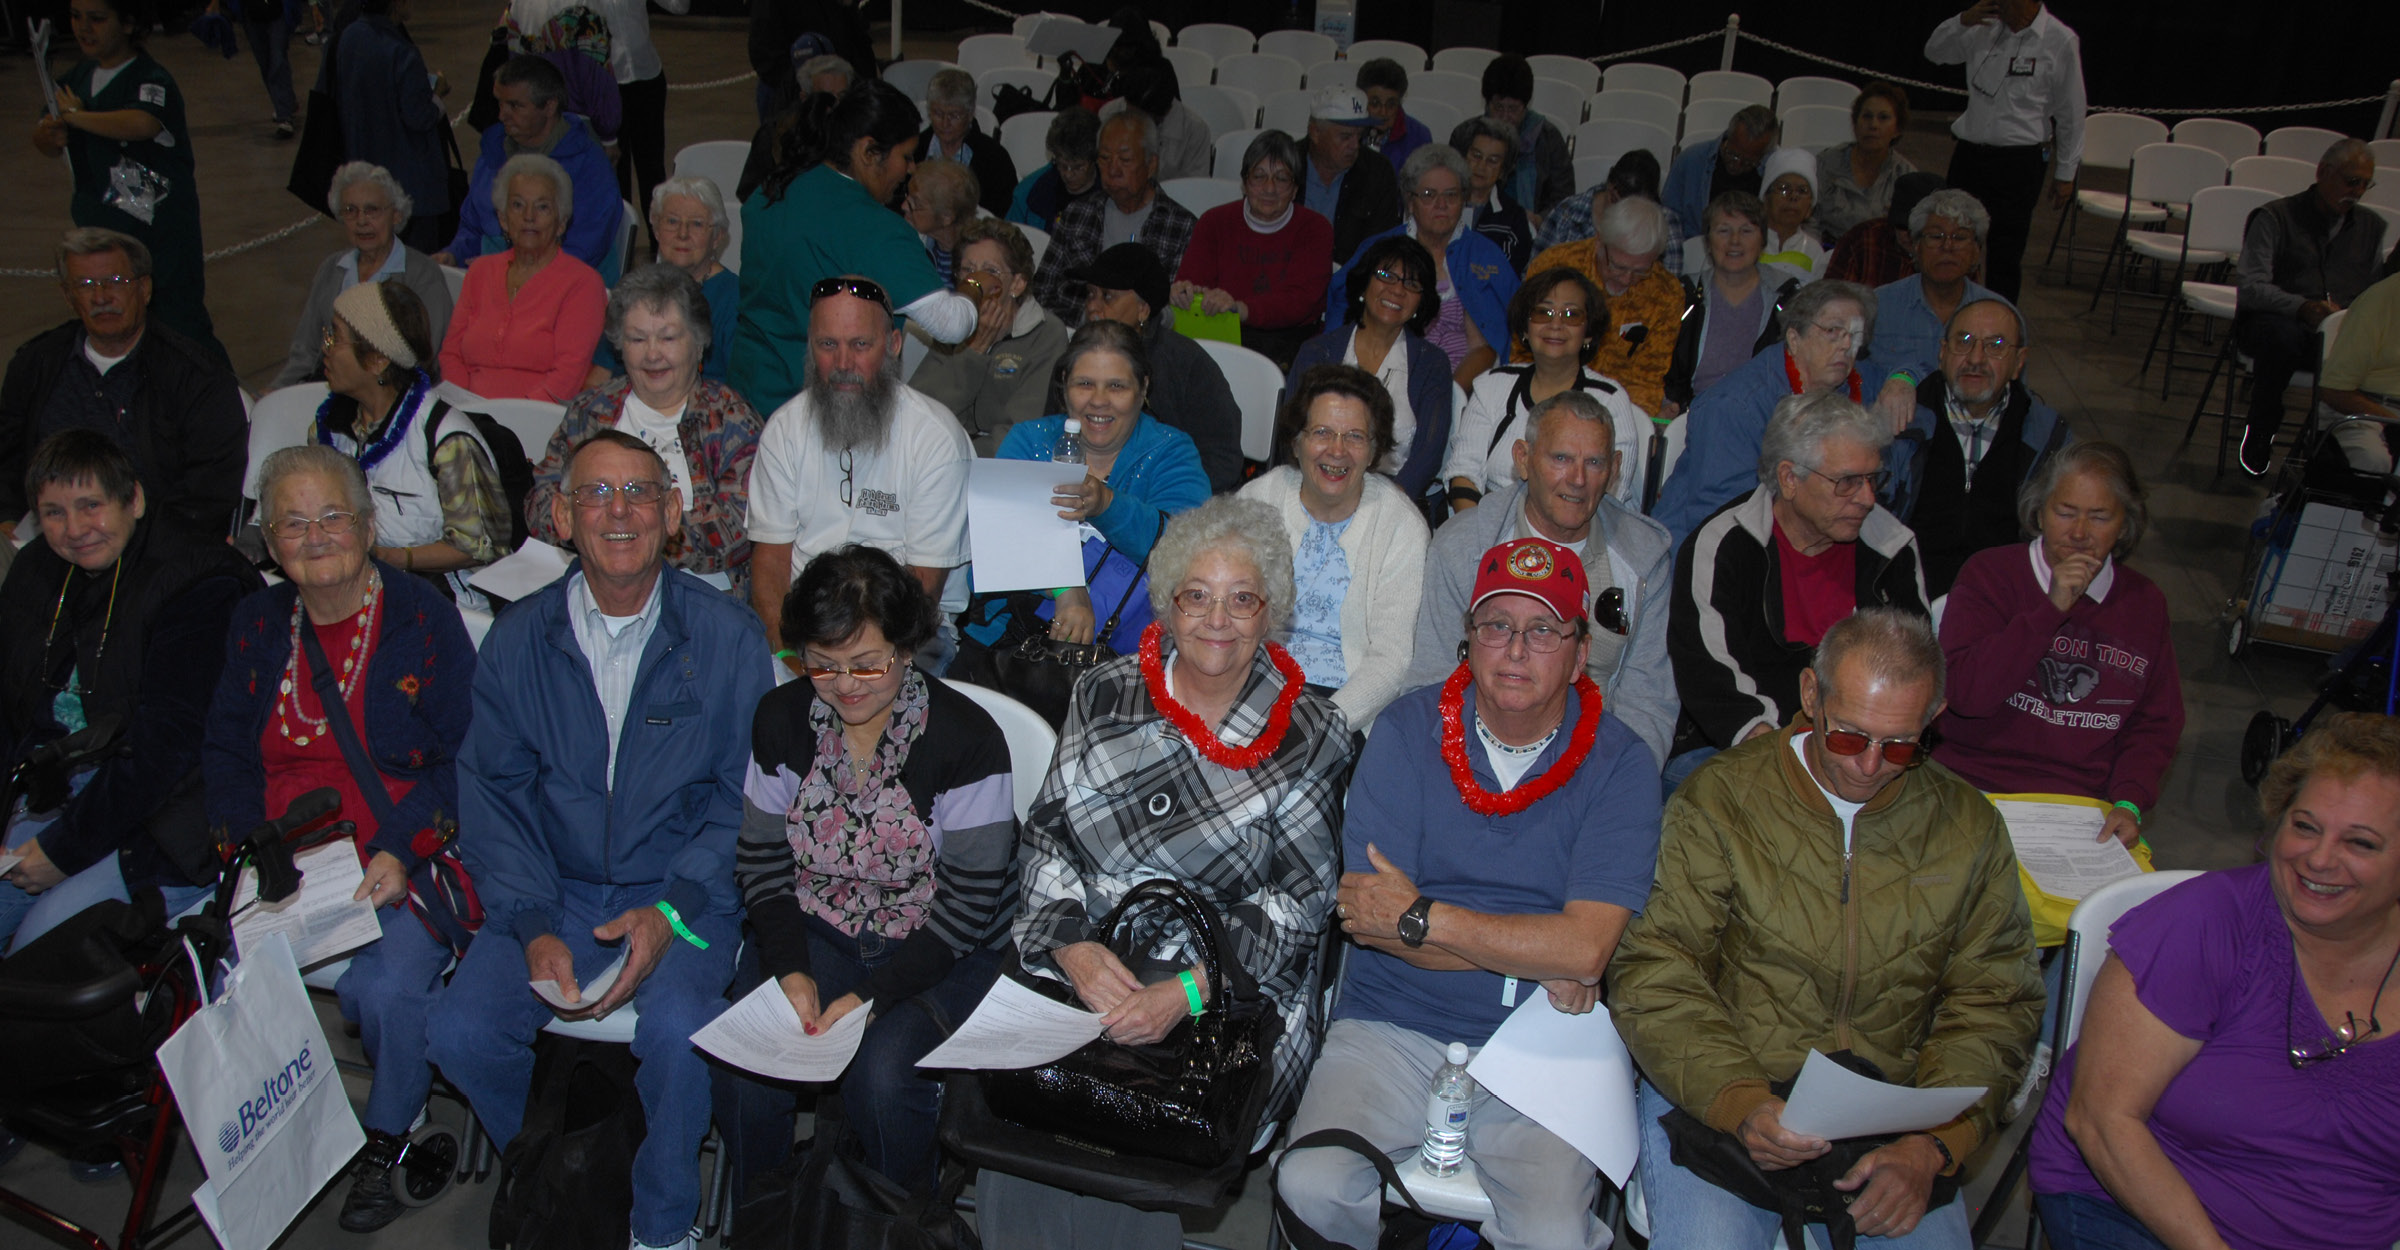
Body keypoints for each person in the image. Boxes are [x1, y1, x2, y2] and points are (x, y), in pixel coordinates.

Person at [974, 496, 1353, 1250]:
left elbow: (1301, 904)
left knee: (1135, 1125)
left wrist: (1183, 991)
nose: (1218, 619)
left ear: (1269, 611)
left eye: (1241, 599)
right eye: (1197, 596)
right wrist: (1075, 952)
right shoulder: (1104, 693)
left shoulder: (1311, 732)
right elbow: (1049, 840)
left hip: (1223, 993)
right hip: (1087, 952)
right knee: (1023, 1118)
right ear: (1167, 606)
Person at [428, 430, 773, 1250]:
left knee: (681, 1033)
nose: (620, 513)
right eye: (597, 494)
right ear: (561, 515)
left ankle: (660, 1224)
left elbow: (746, 797)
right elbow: (492, 792)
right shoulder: (518, 640)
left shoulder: (727, 637)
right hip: (557, 890)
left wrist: (672, 911)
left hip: (683, 891)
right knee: (459, 1032)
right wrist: (532, 920)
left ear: (674, 513)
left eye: (640, 493)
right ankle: (565, 1167)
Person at [1613, 607, 2042, 1250]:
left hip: (1895, 1110)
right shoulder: (1720, 800)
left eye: (1900, 746)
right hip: (1723, 1082)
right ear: (1811, 696)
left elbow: (1995, 1001)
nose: (1869, 766)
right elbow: (1656, 968)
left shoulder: (1967, 827)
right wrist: (1740, 1101)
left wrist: (1933, 1146)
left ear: (1932, 721)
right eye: (1848, 737)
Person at [1279, 535, 1663, 1250]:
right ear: (1468, 641)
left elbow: (1585, 948)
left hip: (1543, 1044)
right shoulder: (1403, 730)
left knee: (1553, 1233)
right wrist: (1540, 952)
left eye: (1543, 630)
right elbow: (1371, 922)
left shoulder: (1622, 765)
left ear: (1581, 653)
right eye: (1496, 626)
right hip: (1394, 1018)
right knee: (1310, 1183)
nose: (1516, 650)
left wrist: (1426, 916)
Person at [203, 444, 473, 1233]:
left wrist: (400, 849)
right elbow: (223, 749)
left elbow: (469, 757)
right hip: (282, 854)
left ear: (366, 522)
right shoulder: (255, 622)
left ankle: (387, 1137)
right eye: (293, 522)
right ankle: (281, 1135)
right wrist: (248, 849)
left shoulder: (421, 616)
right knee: (214, 974)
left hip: (400, 849)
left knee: (382, 988)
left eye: (332, 517)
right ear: (270, 539)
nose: (316, 537)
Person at [2027, 712, 2400, 1250]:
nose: (2319, 858)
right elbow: (2102, 1120)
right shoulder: (2201, 925)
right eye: (2305, 826)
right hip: (2142, 1213)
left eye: (2360, 843)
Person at [719, 544, 1018, 1196]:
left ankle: (894, 1222)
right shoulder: (781, 719)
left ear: (908, 650)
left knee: (881, 1076)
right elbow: (764, 858)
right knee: (748, 1066)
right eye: (821, 666)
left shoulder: (966, 740)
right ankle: (766, 1219)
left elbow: (967, 908)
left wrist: (871, 999)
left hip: (942, 943)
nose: (845, 686)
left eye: (867, 665)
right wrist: (790, 967)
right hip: (821, 925)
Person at [0, 430, 257, 955]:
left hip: (165, 817)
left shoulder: (198, 582)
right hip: (52, 783)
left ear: (134, 499)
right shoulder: (37, 571)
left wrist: (62, 850)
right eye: (53, 513)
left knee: (38, 952)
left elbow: (168, 744)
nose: (74, 530)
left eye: (90, 506)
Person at [1666, 393, 1928, 785]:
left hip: (1865, 755)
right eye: (1848, 482)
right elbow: (1711, 675)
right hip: (1740, 747)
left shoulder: (1891, 548)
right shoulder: (1724, 546)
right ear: (1789, 478)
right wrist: (1791, 767)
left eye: (1874, 479)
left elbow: (1914, 665)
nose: (1867, 499)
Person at [1409, 391, 1678, 767]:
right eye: (1561, 458)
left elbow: (1647, 702)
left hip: (1595, 761)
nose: (1579, 479)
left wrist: (1618, 782)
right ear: (1523, 459)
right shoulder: (1462, 548)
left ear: (1615, 470)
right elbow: (1431, 681)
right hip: (1474, 755)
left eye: (1595, 462)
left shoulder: (1645, 559)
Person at [1933, 441, 2181, 845]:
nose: (2080, 534)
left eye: (2100, 517)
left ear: (2125, 524)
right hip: (1970, 783)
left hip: (2079, 806)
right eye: (2065, 513)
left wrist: (2129, 801)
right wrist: (2050, 611)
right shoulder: (1991, 575)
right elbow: (1967, 695)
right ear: (2040, 512)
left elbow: (2156, 722)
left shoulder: (2144, 603)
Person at [747, 276, 972, 663]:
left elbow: (924, 589)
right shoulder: (784, 430)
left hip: (905, 637)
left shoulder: (935, 438)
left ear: (893, 346)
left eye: (860, 345)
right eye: (827, 344)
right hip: (803, 634)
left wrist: (848, 668)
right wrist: (788, 656)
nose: (843, 364)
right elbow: (770, 564)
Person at [734, 80, 978, 417]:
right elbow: (952, 325)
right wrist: (975, 285)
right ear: (868, 152)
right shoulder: (875, 226)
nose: (910, 169)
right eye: (905, 157)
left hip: (746, 399)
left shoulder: (768, 193)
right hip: (819, 413)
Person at [981, 320, 1211, 656]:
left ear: (1143, 387)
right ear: (1064, 385)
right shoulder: (1029, 441)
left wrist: (1106, 505)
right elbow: (993, 545)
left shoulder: (1171, 451)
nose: (1098, 401)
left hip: (1128, 650)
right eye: (1085, 384)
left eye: (1116, 386)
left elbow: (1186, 553)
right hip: (1013, 640)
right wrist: (1065, 589)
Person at [0, 228, 245, 541]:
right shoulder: (35, 365)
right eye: (85, 285)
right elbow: (6, 459)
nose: (101, 297)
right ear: (68, 296)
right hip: (48, 540)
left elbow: (210, 489)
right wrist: (6, 518)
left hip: (154, 546)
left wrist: (135, 545)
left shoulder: (196, 376)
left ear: (144, 289)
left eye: (116, 282)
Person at [533, 263, 764, 591]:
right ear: (620, 346)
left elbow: (738, 529)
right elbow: (542, 496)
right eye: (637, 339)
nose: (652, 354)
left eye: (668, 338)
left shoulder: (730, 418)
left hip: (696, 592)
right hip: (589, 583)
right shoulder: (590, 411)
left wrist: (628, 537)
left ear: (698, 344)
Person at [29, 0, 225, 364]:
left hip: (160, 233)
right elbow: (46, 139)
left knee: (179, 326)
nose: (84, 28)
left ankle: (222, 403)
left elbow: (141, 123)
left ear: (129, 23)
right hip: (103, 229)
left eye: (98, 19)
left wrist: (76, 117)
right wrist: (50, 132)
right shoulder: (75, 81)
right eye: (76, 17)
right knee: (116, 328)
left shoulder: (151, 79)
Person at [1237, 365, 1430, 727]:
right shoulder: (1260, 498)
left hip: (1347, 707)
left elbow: (1391, 658)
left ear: (1374, 451)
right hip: (1252, 685)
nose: (1337, 450)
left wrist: (1324, 725)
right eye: (1322, 432)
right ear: (1297, 442)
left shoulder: (1400, 526)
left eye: (1355, 437)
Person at [1656, 279, 1908, 545]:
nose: (1847, 345)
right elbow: (1724, 518)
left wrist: (1904, 379)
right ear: (1794, 338)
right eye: (1833, 331)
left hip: (1813, 539)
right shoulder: (1735, 406)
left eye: (1855, 336)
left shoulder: (1855, 382)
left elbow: (1915, 374)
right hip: (1719, 548)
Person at [320, 280, 515, 598]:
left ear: (377, 360)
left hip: (439, 597)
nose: (325, 348)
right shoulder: (331, 427)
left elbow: (480, 545)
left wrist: (393, 558)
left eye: (336, 338)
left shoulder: (447, 439)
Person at [1885, 298, 2070, 596]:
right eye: (1964, 341)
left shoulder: (2047, 436)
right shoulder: (1903, 423)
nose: (1976, 358)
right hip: (1906, 593)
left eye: (1996, 345)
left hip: (2004, 599)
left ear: (2018, 362)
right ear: (1943, 353)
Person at [2232, 138, 2389, 477]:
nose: (2358, 191)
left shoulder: (2371, 228)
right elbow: (2251, 287)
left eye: (2365, 183)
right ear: (2323, 173)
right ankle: (2262, 427)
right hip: (2278, 324)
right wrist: (2302, 306)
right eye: (2352, 181)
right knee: (2281, 337)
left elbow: (2374, 292)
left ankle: (2329, 446)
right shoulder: (2276, 216)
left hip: (2339, 333)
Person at [1923, 0, 2088, 303]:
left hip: (2019, 162)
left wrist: (2066, 172)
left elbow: (2072, 115)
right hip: (1970, 155)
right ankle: (1948, 313)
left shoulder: (2059, 39)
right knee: (1951, 241)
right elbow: (1934, 53)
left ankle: (1999, 327)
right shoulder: (1982, 26)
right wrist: (1962, 19)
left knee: (2005, 252)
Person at [1444, 267, 1646, 511]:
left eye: (1571, 315)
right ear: (1526, 328)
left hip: (1578, 534)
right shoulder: (1492, 386)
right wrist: (1483, 540)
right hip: (1491, 532)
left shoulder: (1610, 400)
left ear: (1588, 332)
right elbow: (1464, 473)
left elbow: (1610, 494)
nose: (1556, 324)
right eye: (1543, 312)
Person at [1049, 244, 1245, 493]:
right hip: (1079, 495)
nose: (1092, 307)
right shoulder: (1073, 361)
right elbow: (1053, 433)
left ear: (1143, 309)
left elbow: (1222, 458)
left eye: (1107, 296)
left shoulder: (1187, 364)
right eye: (1090, 294)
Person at [1330, 145, 1521, 388]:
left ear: (1463, 200)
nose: (1441, 204)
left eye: (1451, 195)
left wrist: (1448, 397)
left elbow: (1487, 348)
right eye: (1429, 194)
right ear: (1410, 201)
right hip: (1381, 373)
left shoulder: (1486, 256)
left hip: (1464, 384)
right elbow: (1344, 312)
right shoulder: (1379, 249)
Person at [1288, 236, 1455, 502]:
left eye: (1411, 283)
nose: (1397, 290)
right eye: (1386, 276)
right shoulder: (1317, 352)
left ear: (1421, 302)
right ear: (1364, 284)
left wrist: (1388, 508)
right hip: (1317, 488)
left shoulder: (1432, 364)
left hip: (1393, 497)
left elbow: (1429, 455)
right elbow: (1294, 435)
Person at [436, 153, 608, 402]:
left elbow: (568, 375)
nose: (529, 216)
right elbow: (451, 353)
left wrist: (515, 417)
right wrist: (465, 406)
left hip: (537, 419)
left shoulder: (583, 283)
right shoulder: (480, 271)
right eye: (518, 204)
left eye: (542, 207)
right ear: (503, 219)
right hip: (468, 412)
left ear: (561, 223)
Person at [436, 55, 623, 278]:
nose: (502, 115)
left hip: (565, 286)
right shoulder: (493, 152)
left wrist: (515, 273)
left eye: (515, 105)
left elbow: (585, 248)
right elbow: (473, 225)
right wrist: (454, 254)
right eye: (500, 102)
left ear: (550, 106)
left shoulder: (589, 167)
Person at [277, 162, 456, 390]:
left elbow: (423, 357)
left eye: (372, 210)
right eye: (350, 210)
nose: (361, 221)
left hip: (391, 393)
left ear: (396, 216)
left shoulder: (422, 274)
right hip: (326, 385)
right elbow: (305, 351)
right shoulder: (332, 268)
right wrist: (277, 391)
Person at [1172, 130, 1335, 369]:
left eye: (1281, 178)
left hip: (1290, 345)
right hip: (1219, 336)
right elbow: (1193, 279)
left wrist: (1241, 308)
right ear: (1245, 183)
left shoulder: (1315, 228)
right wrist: (1184, 291)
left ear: (1295, 188)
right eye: (1259, 176)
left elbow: (1301, 302)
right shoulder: (1214, 221)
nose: (1269, 188)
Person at [910, 217, 1070, 451]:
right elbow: (918, 409)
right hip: (940, 455)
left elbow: (1021, 432)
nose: (976, 281)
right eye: (967, 270)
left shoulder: (1045, 334)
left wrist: (958, 456)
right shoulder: (955, 326)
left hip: (999, 466)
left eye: (990, 271)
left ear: (1017, 284)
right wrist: (974, 351)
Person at [1028, 110, 1200, 327]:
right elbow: (1042, 291)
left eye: (1125, 160)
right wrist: (1091, 317)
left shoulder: (1182, 227)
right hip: (1077, 338)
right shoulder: (1077, 214)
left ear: (1151, 165)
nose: (1113, 169)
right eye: (1105, 158)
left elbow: (1175, 308)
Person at [1522, 195, 1685, 419]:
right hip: (1545, 398)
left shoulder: (1666, 292)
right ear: (1600, 242)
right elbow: (1524, 349)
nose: (1627, 278)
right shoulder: (1554, 265)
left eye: (1641, 270)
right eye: (1618, 266)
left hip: (1617, 409)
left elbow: (1647, 378)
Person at [1659, 192, 1802, 417]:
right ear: (1707, 241)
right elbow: (1660, 368)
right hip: (1691, 415)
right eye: (1723, 230)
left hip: (1764, 417)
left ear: (1763, 241)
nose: (1735, 241)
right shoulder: (1682, 294)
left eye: (1746, 231)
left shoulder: (1787, 299)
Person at [589, 177, 742, 386]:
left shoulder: (736, 300)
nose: (682, 234)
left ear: (717, 237)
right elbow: (602, 373)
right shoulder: (634, 289)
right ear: (657, 230)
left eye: (696, 224)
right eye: (672, 221)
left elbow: (740, 389)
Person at [331, 0, 453, 255]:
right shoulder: (401, 51)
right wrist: (437, 95)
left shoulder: (349, 37)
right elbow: (419, 116)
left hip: (366, 171)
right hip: (410, 183)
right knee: (416, 268)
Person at [1870, 188, 1997, 381]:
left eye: (1960, 238)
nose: (1947, 247)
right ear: (1916, 247)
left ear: (1976, 251)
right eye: (1936, 237)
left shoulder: (1998, 315)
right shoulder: (1878, 307)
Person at [1533, 147, 1687, 276]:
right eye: (1618, 203)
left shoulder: (1665, 223)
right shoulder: (1569, 212)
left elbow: (1668, 286)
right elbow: (1536, 272)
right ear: (1610, 188)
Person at [1299, 86, 1403, 267]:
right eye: (1345, 137)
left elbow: (1382, 247)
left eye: (1359, 136)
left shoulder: (1378, 172)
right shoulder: (1285, 166)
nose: (1354, 145)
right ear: (1315, 132)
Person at [737, 52, 855, 204]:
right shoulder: (774, 134)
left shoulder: (859, 133)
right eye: (824, 98)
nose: (835, 106)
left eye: (842, 97)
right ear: (804, 98)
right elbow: (750, 193)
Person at [1813, 81, 1918, 241]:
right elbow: (1809, 221)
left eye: (1883, 118)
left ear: (1897, 129)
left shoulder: (1907, 176)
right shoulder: (1825, 163)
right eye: (1867, 116)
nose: (1873, 125)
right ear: (1855, 124)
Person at [2319, 268, 2400, 472]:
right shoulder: (2380, 300)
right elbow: (2334, 390)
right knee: (2373, 459)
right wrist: (2393, 422)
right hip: (2366, 408)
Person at [1662, 105, 1779, 242]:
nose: (1737, 165)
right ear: (1728, 137)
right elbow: (1668, 216)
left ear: (1764, 154)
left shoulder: (1774, 170)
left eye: (1748, 162)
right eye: (1732, 154)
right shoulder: (1692, 160)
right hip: (1694, 248)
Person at [1478, 55, 1573, 217]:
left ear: (1526, 105)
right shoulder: (1467, 134)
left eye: (1513, 109)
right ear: (1487, 103)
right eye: (1499, 107)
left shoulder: (1549, 138)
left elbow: (1563, 199)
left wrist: (1538, 220)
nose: (1505, 116)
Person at [919, 67, 1018, 218]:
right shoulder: (915, 149)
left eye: (954, 115)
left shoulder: (995, 159)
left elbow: (1001, 217)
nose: (945, 123)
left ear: (970, 114)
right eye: (938, 113)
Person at [1827, 171, 1947, 288]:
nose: (1909, 235)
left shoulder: (1954, 253)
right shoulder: (1861, 240)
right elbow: (1831, 297)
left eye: (1918, 229)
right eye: (1903, 226)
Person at [1449, 117, 1536, 272]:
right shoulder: (1441, 201)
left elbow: (1509, 277)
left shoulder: (1513, 218)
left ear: (1504, 170)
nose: (1481, 166)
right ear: (1463, 158)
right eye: (1476, 155)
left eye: (1492, 161)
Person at [1006, 108, 1102, 233]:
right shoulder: (1028, 194)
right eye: (1062, 165)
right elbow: (1006, 241)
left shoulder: (1112, 193)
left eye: (1078, 167)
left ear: (1094, 160)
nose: (1068, 174)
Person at [903, 158, 981, 287]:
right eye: (907, 196)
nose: (904, 206)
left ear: (947, 217)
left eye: (915, 203)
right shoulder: (913, 242)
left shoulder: (976, 260)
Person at [1757, 147, 1829, 283]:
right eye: (1784, 189)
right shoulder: (1747, 241)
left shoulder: (1813, 251)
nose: (1793, 197)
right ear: (1765, 200)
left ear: (1810, 208)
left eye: (1802, 191)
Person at [1358, 57, 1429, 174]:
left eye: (1391, 104)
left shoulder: (1419, 136)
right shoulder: (1348, 130)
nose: (1383, 112)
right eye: (1375, 103)